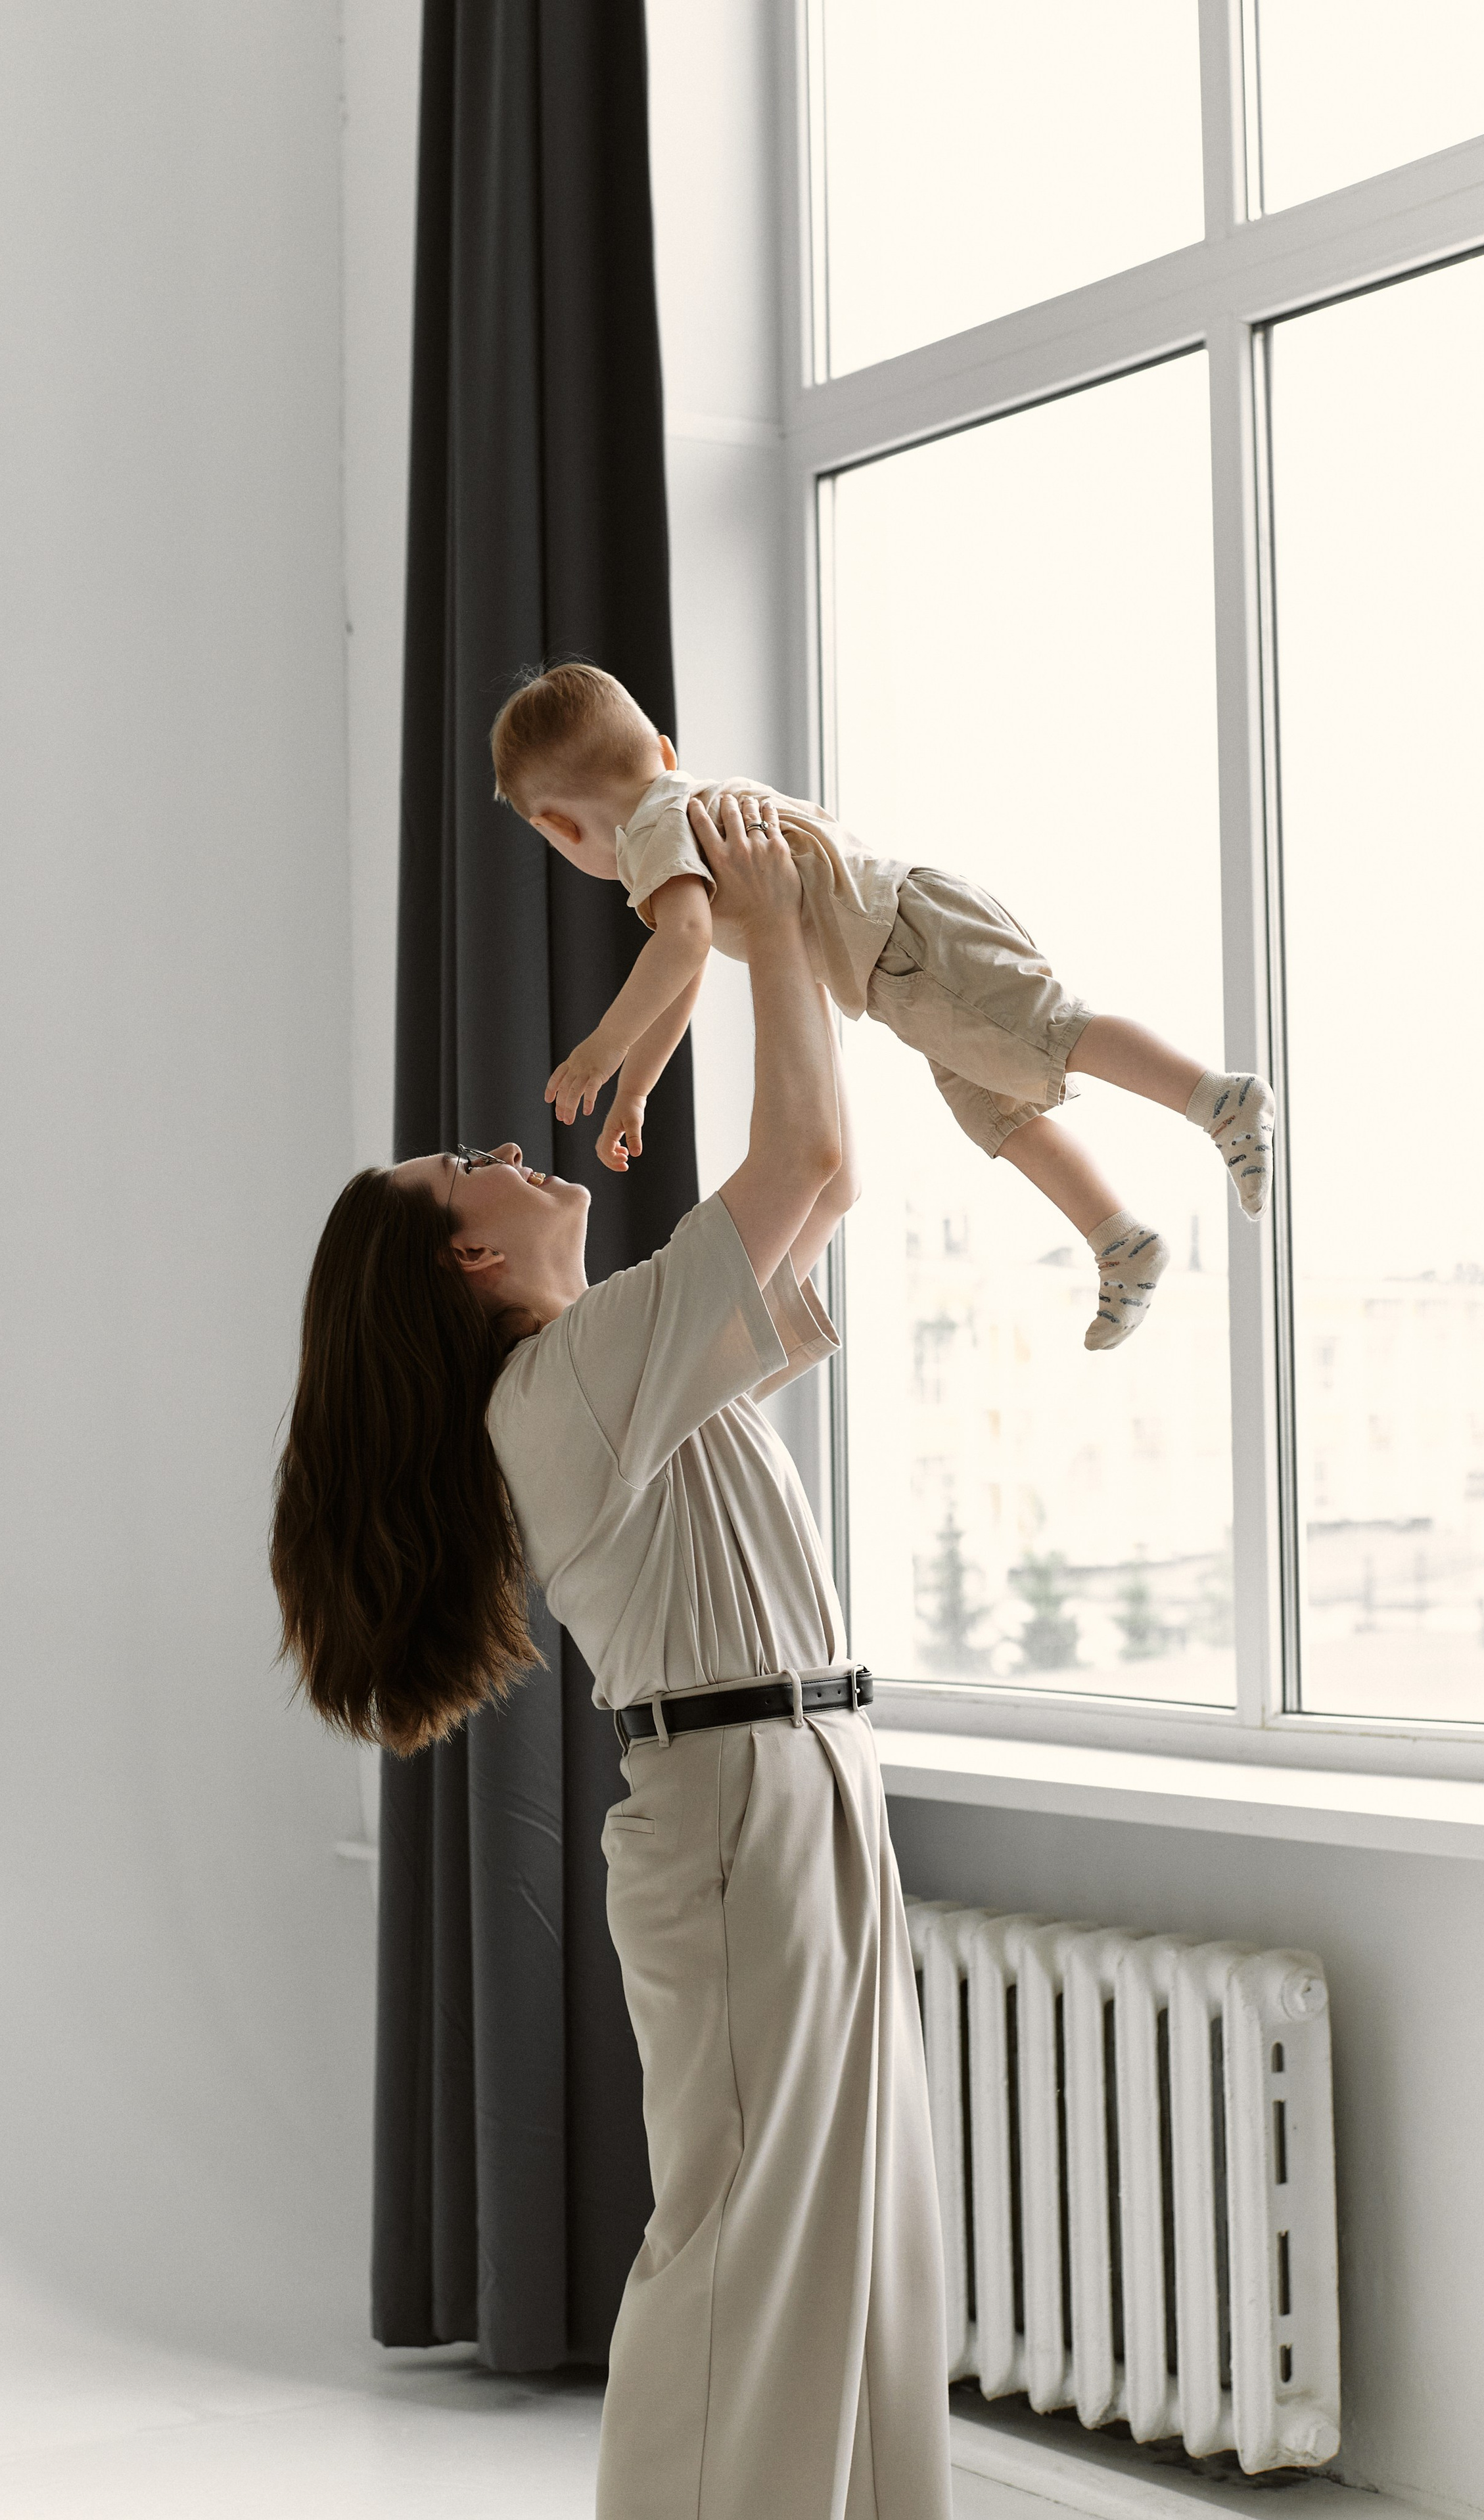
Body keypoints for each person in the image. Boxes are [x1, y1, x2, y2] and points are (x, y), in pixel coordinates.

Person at [269, 793, 952, 2520]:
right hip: (737, 1802)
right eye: (465, 1167)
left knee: (860, 2232)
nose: (500, 1147)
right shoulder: (558, 1386)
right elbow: (810, 1170)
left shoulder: (602, 1363)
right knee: (741, 2251)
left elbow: (811, 1196)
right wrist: (781, 926)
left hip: (793, 1783)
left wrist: (720, 981)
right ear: (473, 1258)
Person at [491, 659, 1275, 1354]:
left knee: (1052, 1031)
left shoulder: (650, 828)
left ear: (558, 826)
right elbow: (686, 963)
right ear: (662, 749)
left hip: (908, 943)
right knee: (993, 1112)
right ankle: (1119, 1240)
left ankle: (1216, 1098)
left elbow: (684, 941)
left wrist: (602, 1049)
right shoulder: (684, 797)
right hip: (903, 951)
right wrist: (635, 1087)